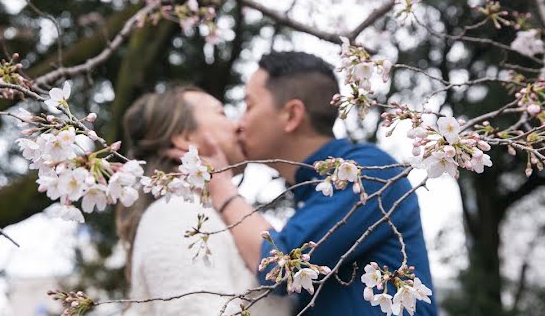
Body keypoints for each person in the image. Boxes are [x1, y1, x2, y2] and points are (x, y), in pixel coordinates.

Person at [203, 51, 437, 315]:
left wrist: (221, 188)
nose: (239, 124)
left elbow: (282, 267)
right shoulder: (313, 195)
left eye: (249, 105)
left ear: (291, 115)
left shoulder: (367, 171)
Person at [118, 85, 292, 316]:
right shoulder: (173, 216)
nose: (237, 125)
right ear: (185, 137)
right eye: (222, 113)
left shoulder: (207, 215)